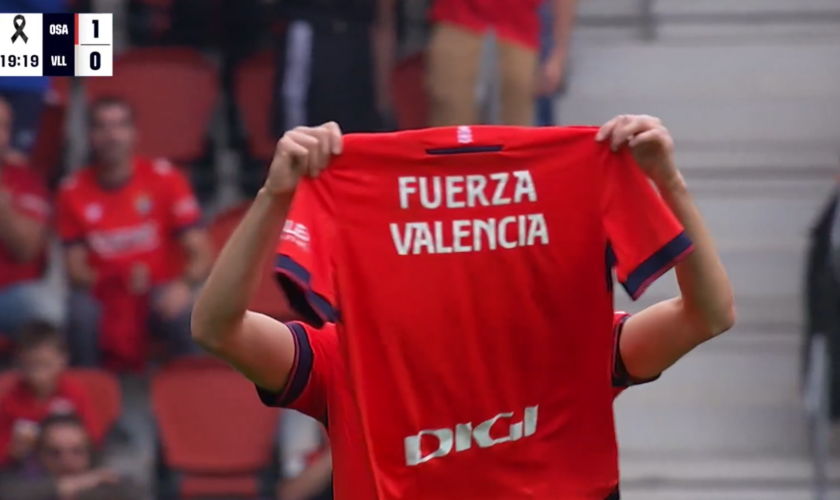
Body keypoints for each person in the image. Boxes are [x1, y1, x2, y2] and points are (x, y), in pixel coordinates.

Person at [192, 115, 734, 499]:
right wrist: (275, 197)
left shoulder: (574, 345)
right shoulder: (343, 357)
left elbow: (707, 315)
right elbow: (218, 327)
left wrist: (668, 182)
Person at [56, 97, 212, 369]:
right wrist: (119, 279)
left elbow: (201, 253)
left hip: (159, 289)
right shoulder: (72, 191)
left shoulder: (165, 178)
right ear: (91, 136)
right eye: (102, 127)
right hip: (103, 292)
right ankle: (92, 398)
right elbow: (76, 271)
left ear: (133, 133)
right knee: (80, 313)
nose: (111, 135)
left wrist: (184, 286)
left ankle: (191, 400)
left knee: (185, 312)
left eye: (119, 126)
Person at [425, 0, 577, 126]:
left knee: (517, 125)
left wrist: (558, 54)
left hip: (522, 29)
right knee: (451, 116)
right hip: (456, 20)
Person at [0, 322, 103, 466]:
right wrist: (13, 451)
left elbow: (92, 436)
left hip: (72, 467)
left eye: (45, 364)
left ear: (62, 360)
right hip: (26, 476)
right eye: (31, 365)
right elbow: (3, 450)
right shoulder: (10, 400)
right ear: (19, 362)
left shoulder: (74, 392)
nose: (39, 374)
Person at [0, 96, 59, 335]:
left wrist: (3, 207)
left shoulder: (25, 179)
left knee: (45, 307)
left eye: (2, 126)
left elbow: (27, 250)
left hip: (9, 298)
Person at [0, 414, 145, 500]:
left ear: (89, 453)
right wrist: (68, 485)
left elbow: (133, 491)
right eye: (54, 452)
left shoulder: (109, 484)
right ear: (40, 456)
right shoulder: (24, 486)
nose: (66, 460)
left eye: (77, 451)